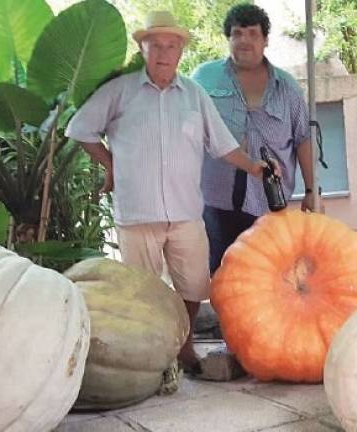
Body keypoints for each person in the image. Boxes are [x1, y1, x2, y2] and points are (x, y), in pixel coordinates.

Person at [64, 10, 275, 372]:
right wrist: (112, 164)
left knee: (193, 286)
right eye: (156, 45)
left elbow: (222, 145)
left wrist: (255, 167)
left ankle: (184, 347)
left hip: (185, 213)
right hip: (137, 213)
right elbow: (80, 128)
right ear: (143, 48)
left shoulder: (194, 95)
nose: (164, 52)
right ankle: (151, 357)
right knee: (142, 293)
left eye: (171, 45)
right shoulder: (119, 92)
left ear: (180, 52)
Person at [192, 3, 316, 275]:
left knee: (268, 275)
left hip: (270, 202)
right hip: (215, 200)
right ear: (228, 39)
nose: (244, 41)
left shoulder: (287, 88)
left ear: (265, 40)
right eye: (237, 33)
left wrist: (311, 191)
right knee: (221, 273)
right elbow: (186, 132)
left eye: (252, 34)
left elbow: (304, 139)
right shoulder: (203, 79)